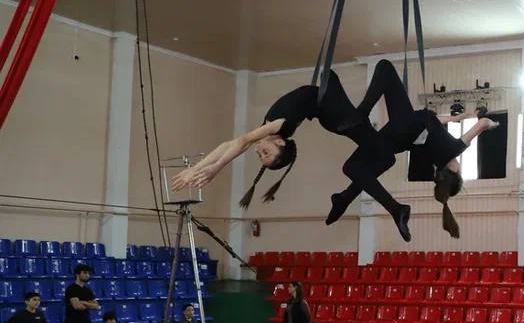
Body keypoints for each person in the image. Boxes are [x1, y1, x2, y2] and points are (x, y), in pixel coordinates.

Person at [170, 60, 498, 241]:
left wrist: (206, 168)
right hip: (347, 117)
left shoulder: (446, 151)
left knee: (361, 162)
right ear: (281, 143)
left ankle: (361, 201)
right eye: (266, 155)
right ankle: (366, 199)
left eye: (262, 155)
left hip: (362, 121)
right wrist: (208, 168)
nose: (259, 151)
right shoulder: (278, 127)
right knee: (375, 146)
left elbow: (236, 143)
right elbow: (239, 143)